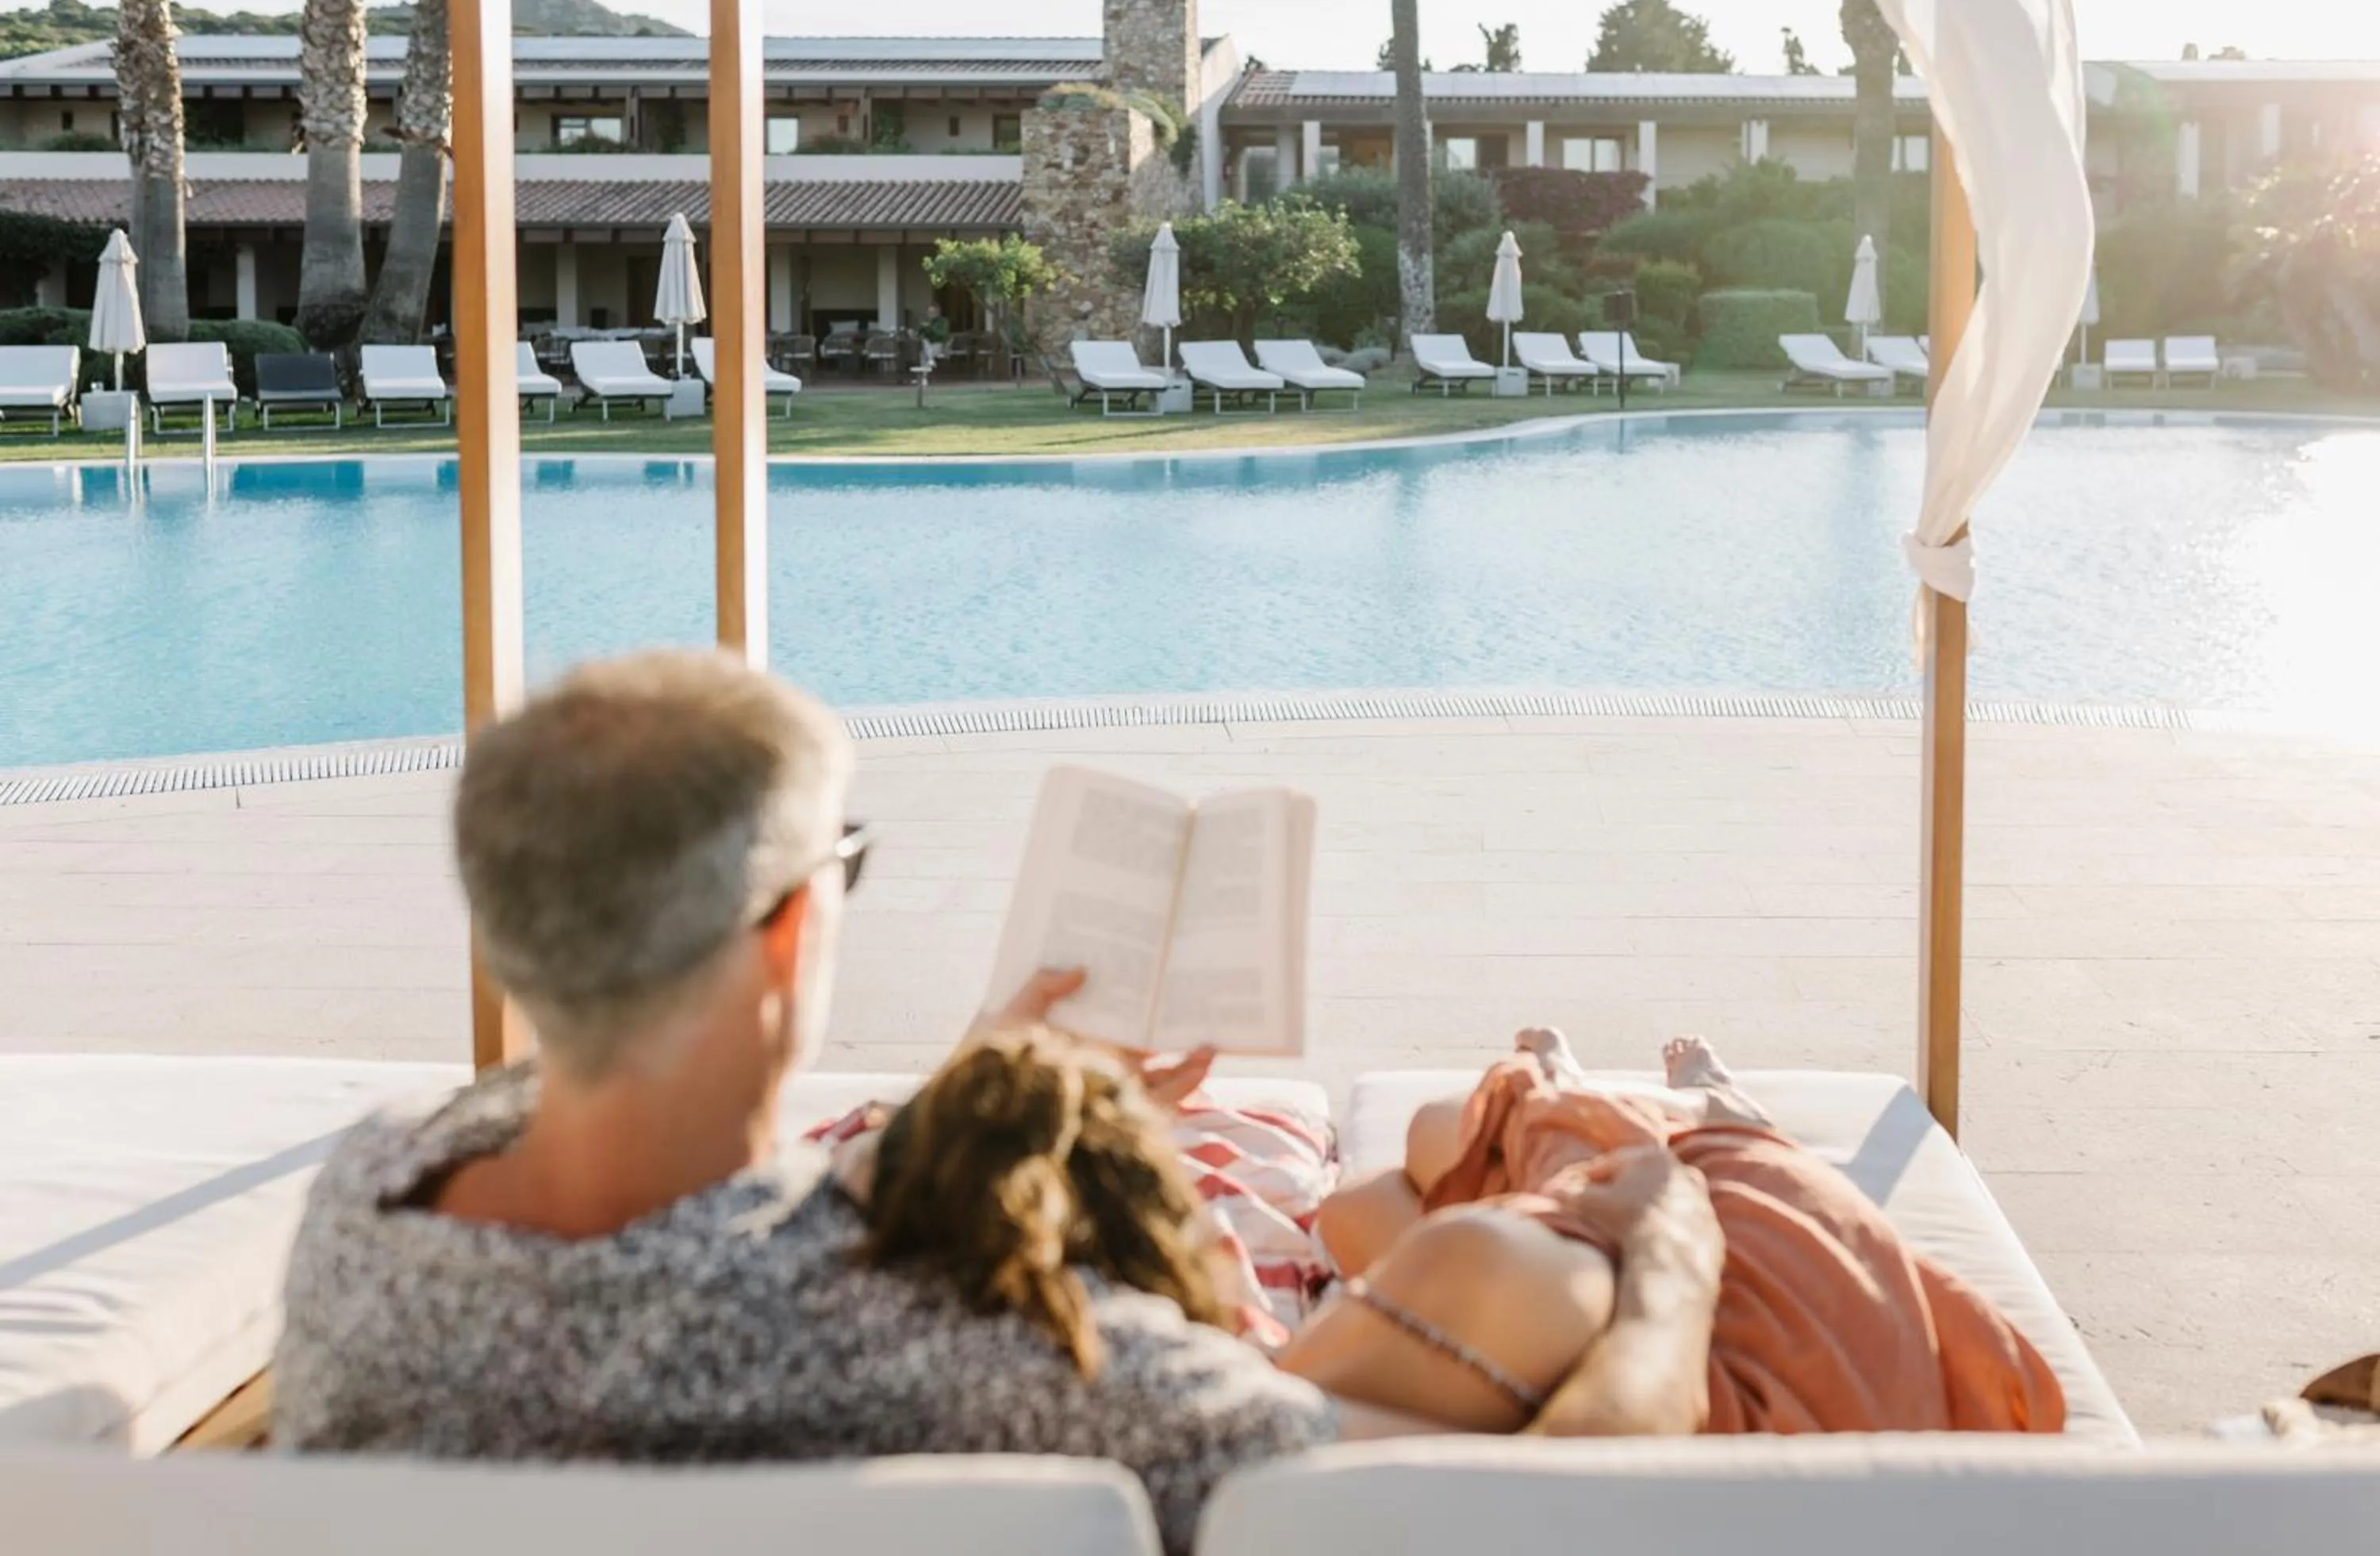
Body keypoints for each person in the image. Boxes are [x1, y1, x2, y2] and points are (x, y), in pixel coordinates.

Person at [272, 652, 1331, 1556]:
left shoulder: (364, 1208)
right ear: (784, 932)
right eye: (843, 860)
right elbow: (1328, 1476)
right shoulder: (954, 1335)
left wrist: (972, 1086)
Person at [839, 1019, 1729, 1445]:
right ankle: (1695, 1114)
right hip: (1638, 1277)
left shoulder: (763, 1288)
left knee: (1380, 1196)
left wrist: (1039, 1084)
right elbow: (1591, 1467)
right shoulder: (1160, 1398)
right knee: (1442, 1151)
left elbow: (866, 1164)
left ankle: (1564, 1093)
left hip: (1532, 1275)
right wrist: (1675, 1253)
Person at [1298, 1028, 2070, 1436]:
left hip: (1707, 1285)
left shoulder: (1232, 1411)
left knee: (1379, 1191)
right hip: (1724, 1264)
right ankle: (1674, 1109)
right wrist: (1672, 1253)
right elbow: (1610, 1450)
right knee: (1451, 1138)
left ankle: (1591, 1099)